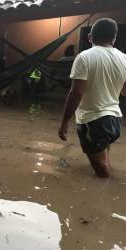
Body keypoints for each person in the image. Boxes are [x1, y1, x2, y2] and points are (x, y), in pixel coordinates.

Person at [58, 18, 126, 178]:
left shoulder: (84, 57)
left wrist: (64, 123)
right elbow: (124, 92)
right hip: (115, 120)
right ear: (114, 38)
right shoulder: (124, 58)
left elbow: (76, 94)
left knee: (101, 170)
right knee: (104, 155)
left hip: (93, 121)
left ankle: (106, 194)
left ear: (90, 37)